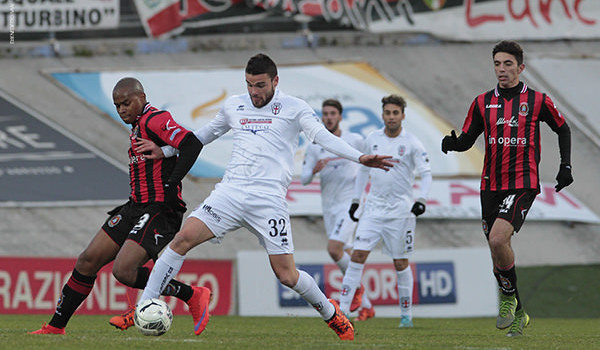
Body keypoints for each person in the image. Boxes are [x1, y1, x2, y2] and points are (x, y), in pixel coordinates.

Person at [134, 54, 394, 341]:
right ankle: (145, 304)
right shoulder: (235, 104)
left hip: (268, 201)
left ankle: (331, 314)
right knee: (182, 240)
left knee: (287, 276)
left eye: (260, 85)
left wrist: (360, 157)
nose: (254, 92)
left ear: (275, 81)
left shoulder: (295, 108)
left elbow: (322, 137)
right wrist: (167, 151)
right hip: (230, 193)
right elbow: (203, 135)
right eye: (249, 85)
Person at [29, 77, 211, 335]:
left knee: (124, 271)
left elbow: (191, 143)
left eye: (126, 103)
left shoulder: (155, 119)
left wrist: (172, 183)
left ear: (142, 97)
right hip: (135, 207)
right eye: (117, 106)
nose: (122, 109)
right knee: (87, 261)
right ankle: (55, 327)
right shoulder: (137, 125)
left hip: (160, 209)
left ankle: (191, 294)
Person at [441, 40, 573, 337]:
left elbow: (562, 128)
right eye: (498, 64)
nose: (502, 69)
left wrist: (566, 166)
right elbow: (467, 139)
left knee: (499, 239)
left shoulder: (538, 100)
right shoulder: (481, 102)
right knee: (495, 249)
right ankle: (519, 312)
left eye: (508, 64)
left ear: (520, 67)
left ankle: (509, 298)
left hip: (522, 183)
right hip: (490, 185)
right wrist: (452, 144)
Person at [338, 94, 432, 329]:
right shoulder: (372, 139)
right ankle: (342, 312)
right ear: (382, 115)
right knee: (357, 255)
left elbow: (426, 173)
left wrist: (421, 199)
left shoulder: (412, 143)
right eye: (387, 113)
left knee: (400, 262)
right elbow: (362, 171)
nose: (391, 117)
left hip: (400, 212)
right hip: (373, 209)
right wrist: (355, 201)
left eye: (395, 113)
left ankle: (406, 316)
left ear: (402, 115)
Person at [300, 99, 374, 322]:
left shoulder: (354, 139)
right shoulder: (315, 146)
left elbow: (369, 160)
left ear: (341, 116)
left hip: (351, 203)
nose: (329, 117)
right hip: (329, 207)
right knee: (344, 254)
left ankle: (357, 290)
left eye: (333, 113)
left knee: (334, 249)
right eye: (325, 114)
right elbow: (304, 179)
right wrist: (314, 169)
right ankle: (367, 307)